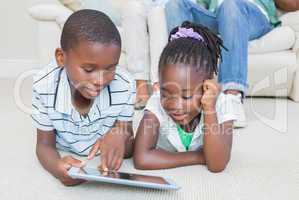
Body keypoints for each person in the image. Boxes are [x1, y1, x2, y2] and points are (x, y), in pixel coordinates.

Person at [31, 9, 135, 186]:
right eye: (89, 70)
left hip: (103, 146)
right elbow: (44, 145)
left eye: (110, 68)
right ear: (61, 58)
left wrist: (119, 134)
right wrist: (57, 167)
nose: (100, 80)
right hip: (64, 147)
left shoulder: (124, 85)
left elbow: (129, 145)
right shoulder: (44, 87)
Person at [133, 21, 237, 172]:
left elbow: (217, 164)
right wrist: (197, 157)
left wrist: (209, 109)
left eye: (186, 96)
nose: (175, 105)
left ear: (207, 86)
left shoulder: (222, 104)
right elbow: (142, 159)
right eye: (165, 94)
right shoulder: (156, 103)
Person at [164, 0, 282, 128]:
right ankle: (184, 90)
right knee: (175, 4)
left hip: (253, 16)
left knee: (230, 4)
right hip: (219, 16)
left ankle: (232, 96)